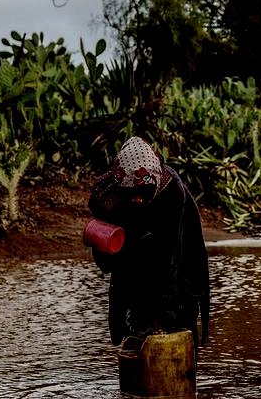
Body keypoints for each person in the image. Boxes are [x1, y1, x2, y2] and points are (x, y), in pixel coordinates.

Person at [88, 137, 210, 347]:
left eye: (143, 193)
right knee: (132, 327)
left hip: (182, 258)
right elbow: (112, 263)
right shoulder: (109, 193)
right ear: (121, 187)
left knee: (178, 328)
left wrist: (160, 319)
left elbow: (167, 259)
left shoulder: (172, 192)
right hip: (137, 252)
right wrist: (108, 250)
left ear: (153, 186)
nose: (137, 199)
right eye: (131, 193)